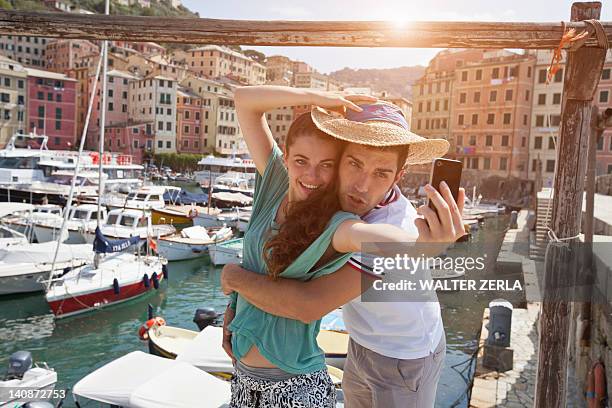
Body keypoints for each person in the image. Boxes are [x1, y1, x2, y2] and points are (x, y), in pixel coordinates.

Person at [225, 85, 463, 408]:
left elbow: (311, 303)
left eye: (381, 173)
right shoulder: (312, 192)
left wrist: (425, 245)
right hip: (360, 342)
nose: (362, 185)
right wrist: (318, 99)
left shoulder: (391, 223)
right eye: (354, 164)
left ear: (398, 176)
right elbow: (245, 101)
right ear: (339, 160)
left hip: (407, 354)